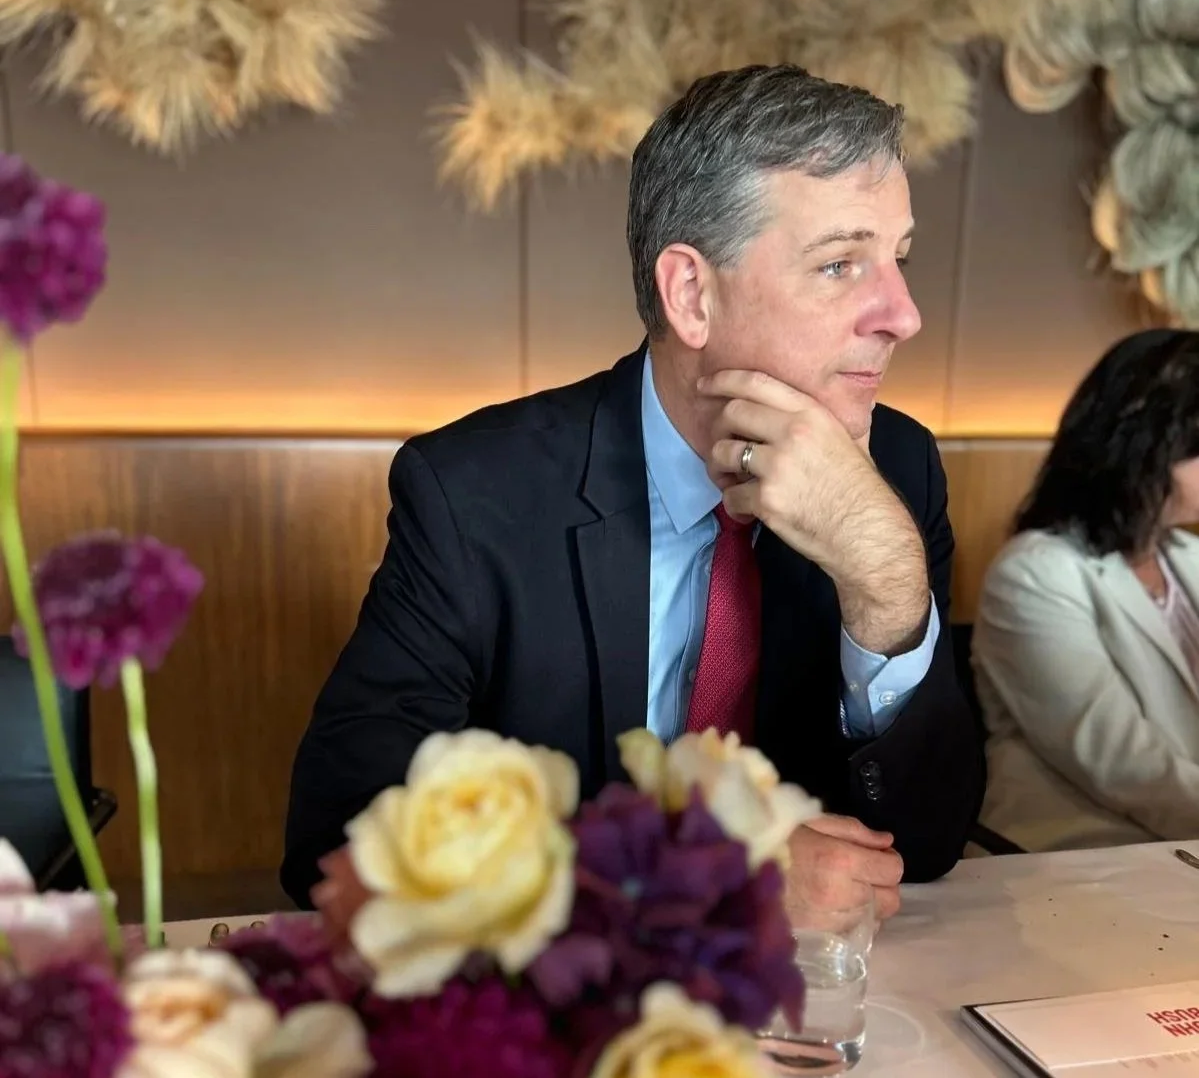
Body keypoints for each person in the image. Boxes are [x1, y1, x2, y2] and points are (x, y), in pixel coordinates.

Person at [283, 65, 985, 912]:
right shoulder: (474, 494)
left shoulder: (897, 468)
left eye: (898, 259)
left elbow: (931, 840)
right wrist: (701, 876)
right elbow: (342, 835)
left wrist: (884, 579)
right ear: (691, 293)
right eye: (840, 265)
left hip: (819, 1008)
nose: (902, 313)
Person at [974, 329, 1199, 851]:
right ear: (1146, 448)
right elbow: (1120, 761)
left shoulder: (1188, 559)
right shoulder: (1033, 573)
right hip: (1077, 858)